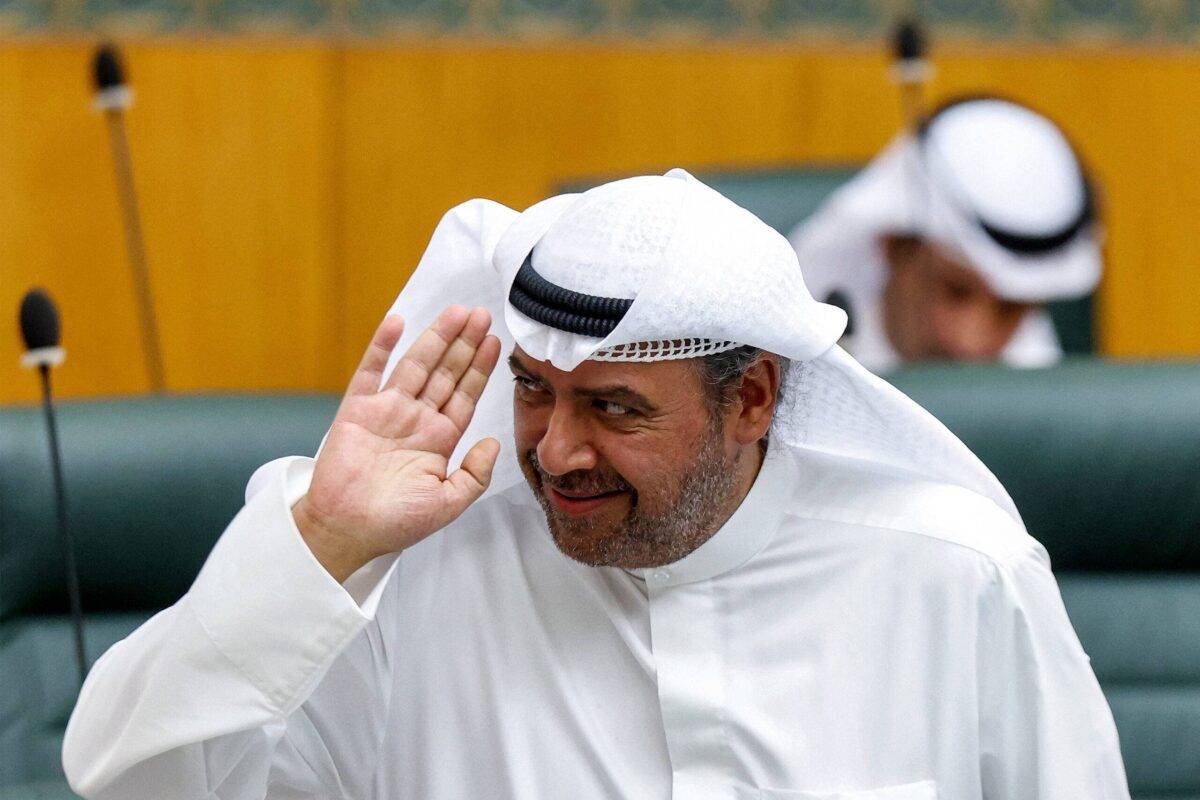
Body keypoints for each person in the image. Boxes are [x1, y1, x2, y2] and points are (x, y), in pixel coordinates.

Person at [63, 170, 1128, 799]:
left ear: (752, 396)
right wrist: (320, 541)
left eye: (614, 407)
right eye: (532, 391)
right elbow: (129, 777)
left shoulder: (952, 573)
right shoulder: (420, 573)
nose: (556, 450)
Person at [790, 96, 1103, 373]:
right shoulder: (785, 365)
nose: (971, 343)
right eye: (956, 291)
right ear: (893, 246)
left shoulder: (1034, 368)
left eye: (1010, 308)